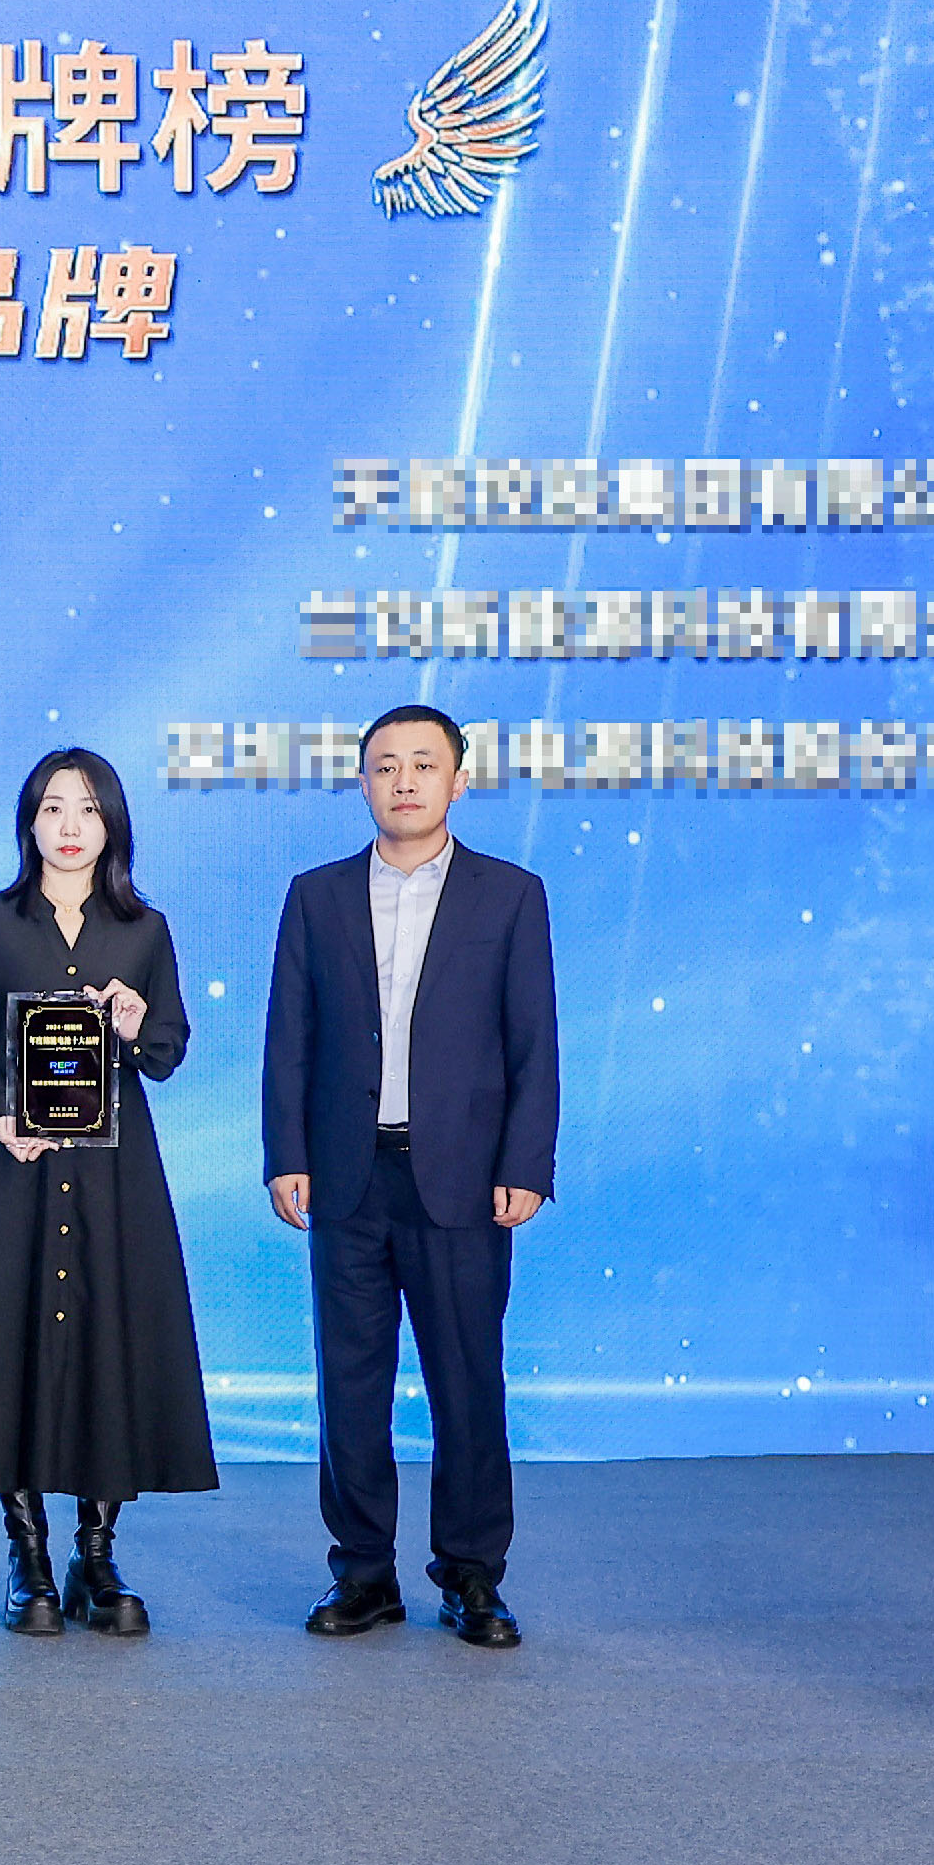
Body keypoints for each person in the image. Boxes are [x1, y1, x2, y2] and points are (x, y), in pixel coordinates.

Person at [264, 703, 559, 1648]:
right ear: (362, 782)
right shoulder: (316, 895)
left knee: (467, 1382)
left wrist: (526, 1163)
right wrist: (286, 1153)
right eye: (385, 765)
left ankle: (472, 1575)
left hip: (464, 1181)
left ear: (458, 781)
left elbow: (534, 1042)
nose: (404, 781)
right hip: (346, 1177)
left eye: (424, 764)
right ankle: (362, 1574)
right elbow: (290, 1036)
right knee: (349, 1386)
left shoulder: (509, 895)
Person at [0, 749, 220, 1635]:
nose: (69, 825)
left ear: (112, 824)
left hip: (111, 1174)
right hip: (13, 1167)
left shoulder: (143, 928)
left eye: (87, 809)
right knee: (8, 1342)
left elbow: (167, 1046)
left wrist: (132, 1024)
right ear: (29, 821)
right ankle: (28, 1557)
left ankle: (97, 1552)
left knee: (108, 1342)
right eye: (53, 807)